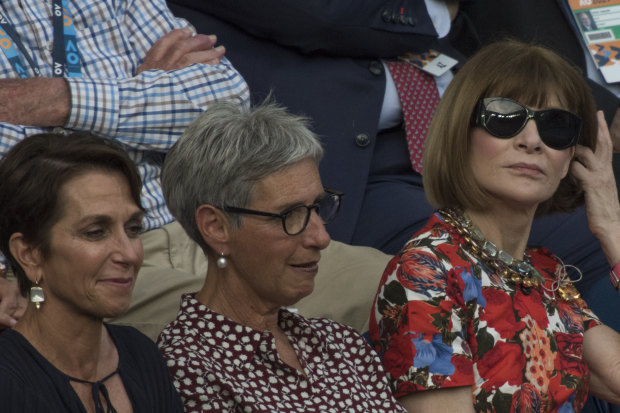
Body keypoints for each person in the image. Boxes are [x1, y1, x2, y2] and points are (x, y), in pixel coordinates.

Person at [167, 0, 616, 320]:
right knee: (482, 263)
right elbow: (316, 16)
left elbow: (506, 56)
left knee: (591, 242)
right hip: (355, 165)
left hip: (460, 133)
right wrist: (434, 9)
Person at [370, 39, 620, 412]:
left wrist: (613, 228)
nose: (532, 140)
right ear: (461, 134)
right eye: (505, 116)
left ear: (570, 158)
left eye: (555, 126)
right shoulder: (426, 270)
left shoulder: (545, 272)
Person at [0, 0, 249, 334]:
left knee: (340, 288)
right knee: (261, 328)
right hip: (74, 258)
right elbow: (18, 163)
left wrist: (57, 99)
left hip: (199, 227)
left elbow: (229, 104)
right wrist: (144, 95)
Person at [157, 101, 406, 412]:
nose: (321, 237)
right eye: (290, 214)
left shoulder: (341, 343)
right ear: (216, 226)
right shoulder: (188, 368)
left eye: (317, 207)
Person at [0, 132, 183, 412]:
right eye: (96, 232)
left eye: (133, 229)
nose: (130, 254)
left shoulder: (142, 354)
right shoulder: (9, 383)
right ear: (29, 254)